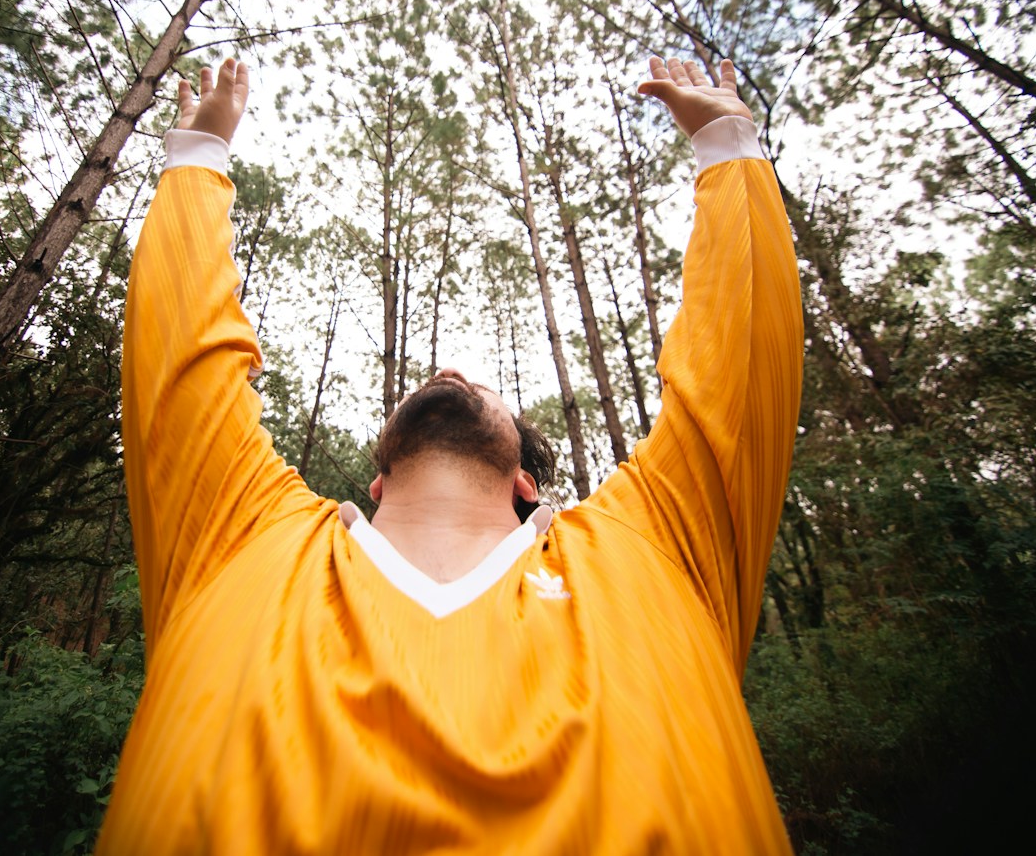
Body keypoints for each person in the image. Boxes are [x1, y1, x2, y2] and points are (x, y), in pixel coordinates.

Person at [95, 50, 803, 854]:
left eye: (480, 385)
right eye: (439, 378)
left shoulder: (656, 549)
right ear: (376, 480)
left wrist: (730, 148)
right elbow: (180, 367)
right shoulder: (245, 534)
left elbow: (737, 374)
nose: (451, 372)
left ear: (527, 482)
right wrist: (196, 158)